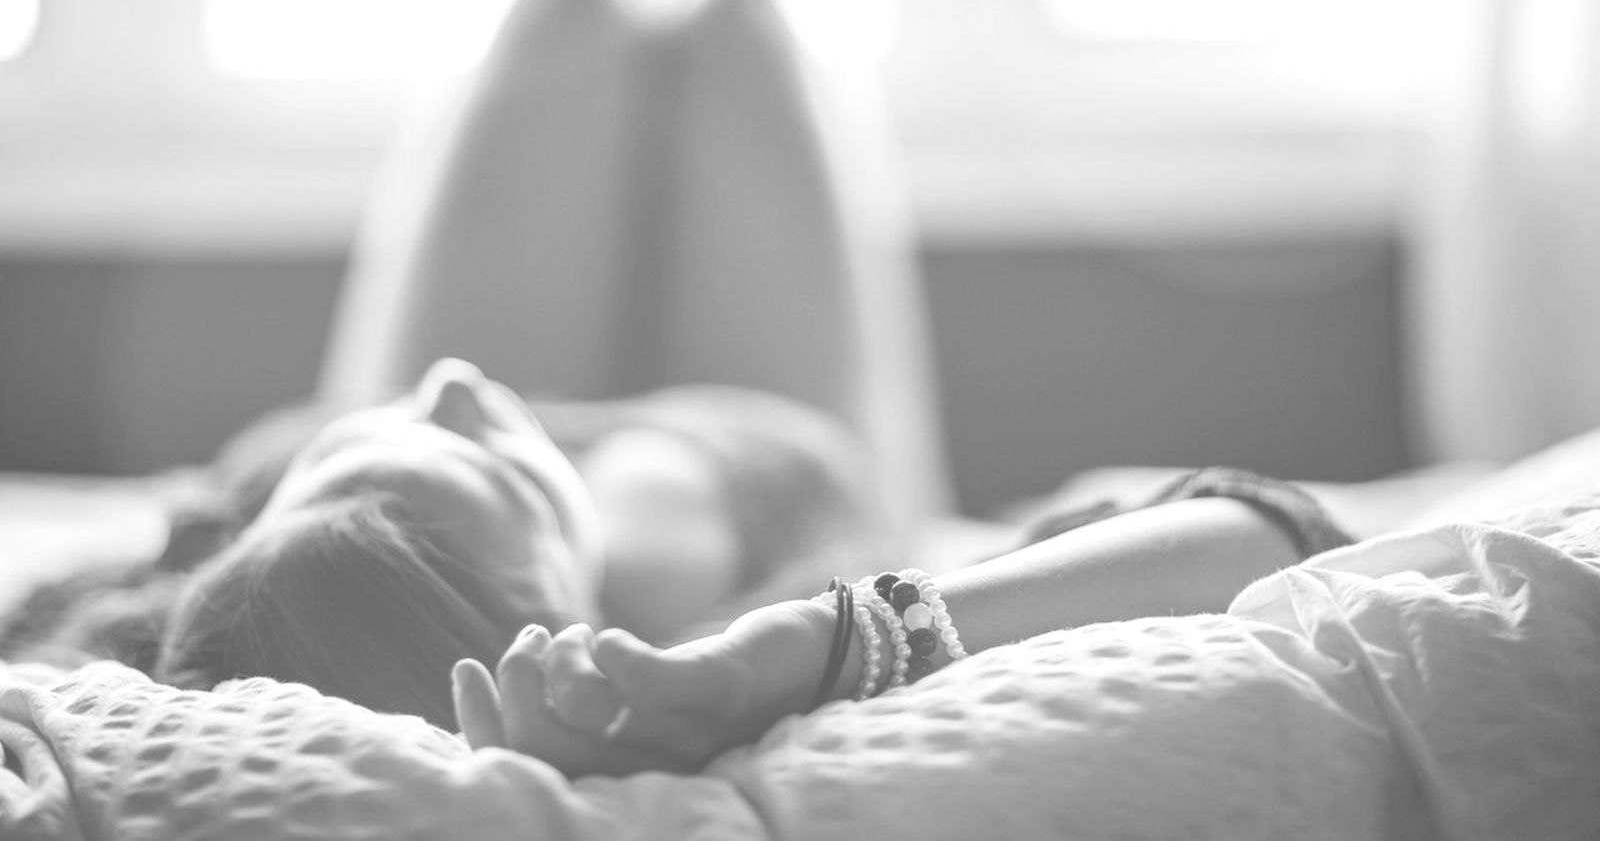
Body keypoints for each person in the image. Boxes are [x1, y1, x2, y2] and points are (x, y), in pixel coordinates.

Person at [158, 358, 1452, 779]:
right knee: (733, 23)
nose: (448, 380)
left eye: (379, 431)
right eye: (482, 466)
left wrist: (310, 465)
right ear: (551, 617)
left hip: (596, 422)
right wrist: (815, 642)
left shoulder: (258, 535)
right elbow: (1275, 527)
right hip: (799, 431)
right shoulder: (731, 633)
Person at [155, 358, 886, 733]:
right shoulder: (665, 563)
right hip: (759, 434)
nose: (453, 380)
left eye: (335, 453)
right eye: (516, 486)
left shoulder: (283, 544)